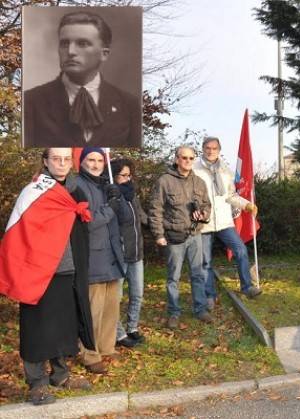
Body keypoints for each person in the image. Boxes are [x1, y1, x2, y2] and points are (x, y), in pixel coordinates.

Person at [0, 148, 94, 405]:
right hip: (39, 271)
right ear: (45, 161)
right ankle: (37, 383)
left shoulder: (77, 191)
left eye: (66, 159)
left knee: (64, 327)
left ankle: (60, 375)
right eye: (56, 158)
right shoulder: (33, 192)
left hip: (69, 270)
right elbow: (21, 232)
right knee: (37, 329)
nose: (61, 163)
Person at [23, 11, 141, 148]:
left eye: (82, 43)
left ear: (104, 54)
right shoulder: (32, 101)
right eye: (64, 44)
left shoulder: (128, 104)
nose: (71, 51)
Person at [76, 147, 130, 374]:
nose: (96, 164)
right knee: (92, 309)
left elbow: (125, 218)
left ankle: (107, 347)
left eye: (100, 160)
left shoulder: (106, 184)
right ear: (81, 161)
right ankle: (89, 353)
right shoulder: (77, 186)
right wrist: (110, 208)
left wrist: (120, 196)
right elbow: (86, 222)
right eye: (91, 159)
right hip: (93, 256)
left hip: (113, 255)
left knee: (111, 307)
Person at [192, 136, 262, 306]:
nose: (211, 151)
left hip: (224, 220)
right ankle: (210, 295)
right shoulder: (194, 168)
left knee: (241, 251)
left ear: (219, 150)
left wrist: (247, 205)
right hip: (204, 222)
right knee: (206, 261)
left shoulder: (225, 170)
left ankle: (247, 287)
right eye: (208, 148)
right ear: (203, 149)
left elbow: (230, 195)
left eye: (214, 148)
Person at [148, 145, 212, 328]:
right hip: (174, 237)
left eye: (191, 158)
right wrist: (159, 234)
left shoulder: (199, 182)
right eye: (184, 158)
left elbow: (207, 205)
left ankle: (200, 309)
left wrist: (204, 214)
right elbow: (155, 209)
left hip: (195, 235)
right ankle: (174, 312)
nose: (188, 161)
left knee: (198, 274)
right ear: (177, 159)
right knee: (173, 277)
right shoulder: (164, 181)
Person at [110, 158, 147, 348]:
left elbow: (141, 217)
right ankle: (118, 333)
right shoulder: (111, 195)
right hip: (119, 255)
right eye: (123, 175)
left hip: (136, 252)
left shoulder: (132, 195)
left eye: (129, 175)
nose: (127, 178)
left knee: (137, 293)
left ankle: (132, 327)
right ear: (113, 175)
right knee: (116, 297)